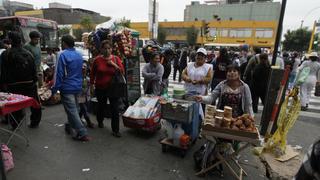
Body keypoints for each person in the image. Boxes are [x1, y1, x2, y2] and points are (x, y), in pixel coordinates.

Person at [0, 31, 42, 129]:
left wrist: (3, 85)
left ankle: (15, 124)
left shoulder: (6, 54)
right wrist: (35, 81)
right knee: (34, 103)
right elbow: (33, 69)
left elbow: (4, 72)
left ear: (10, 40)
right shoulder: (28, 53)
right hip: (29, 84)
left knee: (14, 105)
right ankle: (35, 122)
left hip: (13, 85)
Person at [52, 35, 90, 141]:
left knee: (72, 110)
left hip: (67, 87)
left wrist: (54, 89)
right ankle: (70, 126)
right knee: (75, 109)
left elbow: (58, 74)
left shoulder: (62, 54)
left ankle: (82, 132)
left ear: (64, 43)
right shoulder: (79, 54)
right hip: (78, 86)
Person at [90, 39, 124, 137]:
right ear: (101, 49)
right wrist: (91, 85)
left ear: (112, 49)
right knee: (101, 106)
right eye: (105, 48)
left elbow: (122, 71)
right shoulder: (97, 60)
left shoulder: (116, 59)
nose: (107, 50)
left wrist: (113, 64)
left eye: (109, 48)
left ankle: (115, 130)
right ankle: (100, 120)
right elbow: (92, 74)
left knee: (115, 109)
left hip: (113, 88)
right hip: (100, 87)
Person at [79, 63, 94, 128]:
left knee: (82, 110)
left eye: (84, 68)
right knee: (84, 109)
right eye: (82, 69)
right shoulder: (78, 78)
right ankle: (88, 122)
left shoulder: (87, 77)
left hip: (87, 96)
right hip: (80, 96)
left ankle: (75, 120)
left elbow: (90, 86)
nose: (83, 70)